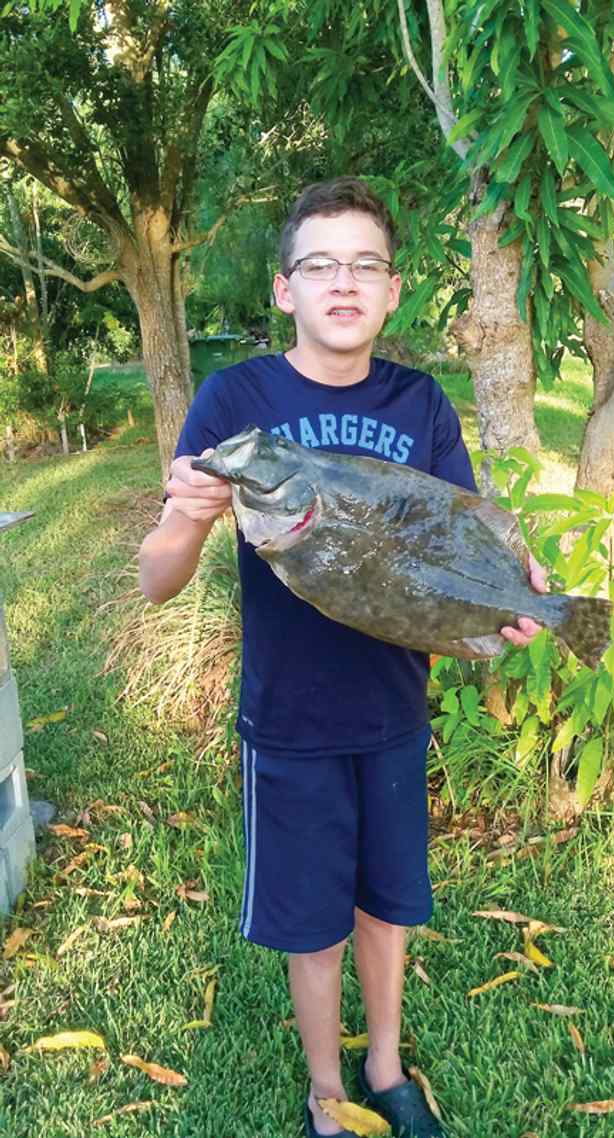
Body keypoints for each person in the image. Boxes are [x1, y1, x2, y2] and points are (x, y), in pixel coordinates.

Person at [138, 177, 545, 1138]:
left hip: (395, 709)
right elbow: (156, 580)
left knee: (385, 905)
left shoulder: (420, 400)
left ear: (393, 290)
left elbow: (464, 529)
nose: (344, 283)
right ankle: (328, 1090)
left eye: (366, 265)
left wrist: (514, 581)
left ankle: (387, 1066)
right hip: (288, 718)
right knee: (312, 918)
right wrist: (191, 523)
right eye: (320, 265)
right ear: (285, 290)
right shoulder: (237, 401)